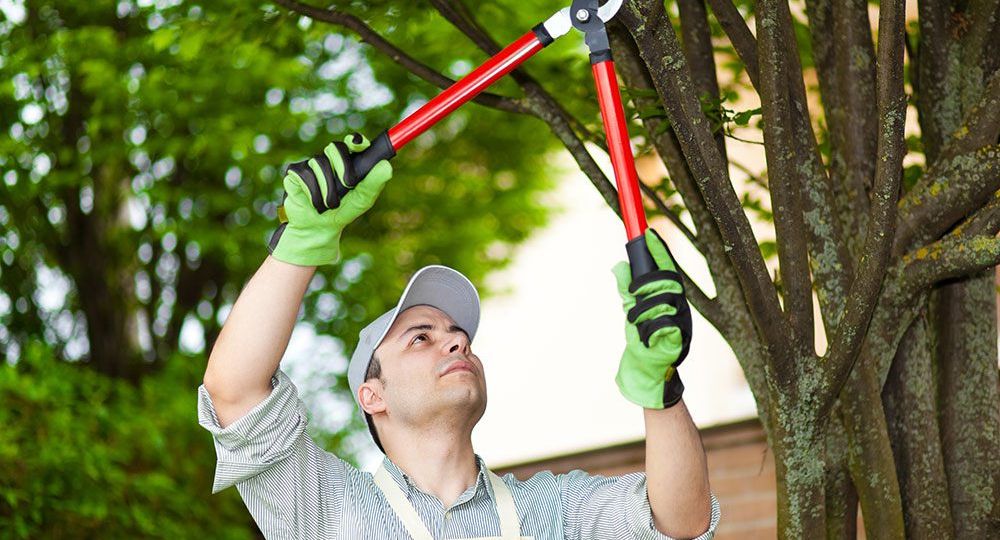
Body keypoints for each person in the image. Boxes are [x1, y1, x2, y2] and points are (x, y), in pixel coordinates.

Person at [199, 133, 721, 539]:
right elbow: (235, 390)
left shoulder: (555, 512)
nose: (458, 342)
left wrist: (662, 390)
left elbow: (681, 523)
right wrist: (303, 242)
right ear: (371, 394)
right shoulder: (328, 510)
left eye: (458, 334)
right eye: (420, 338)